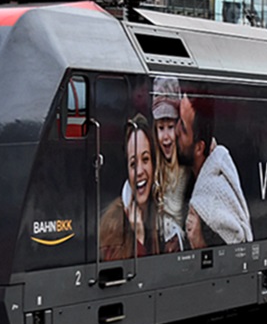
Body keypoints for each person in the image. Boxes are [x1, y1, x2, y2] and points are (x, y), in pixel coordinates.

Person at [176, 91, 252, 248]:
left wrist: (198, 241)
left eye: (182, 128)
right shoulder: (187, 174)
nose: (175, 131)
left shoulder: (211, 206)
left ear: (199, 148)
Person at [99, 114, 159, 261]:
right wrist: (139, 238)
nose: (139, 171)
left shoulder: (163, 215)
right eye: (133, 164)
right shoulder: (113, 224)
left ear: (154, 164)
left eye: (145, 159)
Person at [151, 76, 188, 253]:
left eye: (170, 127)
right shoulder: (153, 168)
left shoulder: (186, 171)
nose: (165, 137)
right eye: (161, 128)